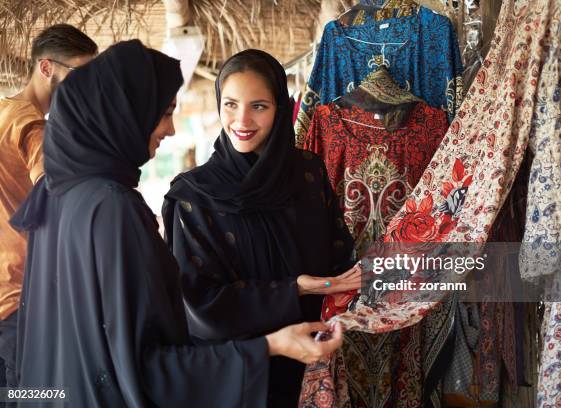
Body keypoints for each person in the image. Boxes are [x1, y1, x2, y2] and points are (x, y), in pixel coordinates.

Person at [10, 40, 342, 408]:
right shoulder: (116, 208)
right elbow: (147, 368)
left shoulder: (58, 196)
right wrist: (273, 344)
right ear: (123, 113)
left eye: (259, 106)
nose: (170, 129)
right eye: (164, 112)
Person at [163, 49, 362, 407]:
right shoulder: (194, 197)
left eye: (259, 106)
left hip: (312, 370)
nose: (241, 120)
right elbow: (199, 305)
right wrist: (293, 289)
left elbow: (340, 264)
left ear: (281, 109)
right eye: (230, 104)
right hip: (236, 379)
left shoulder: (308, 174)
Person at [0, 24, 97, 392]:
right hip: (21, 300)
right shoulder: (32, 126)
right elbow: (57, 194)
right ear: (46, 68)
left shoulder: (3, 112)